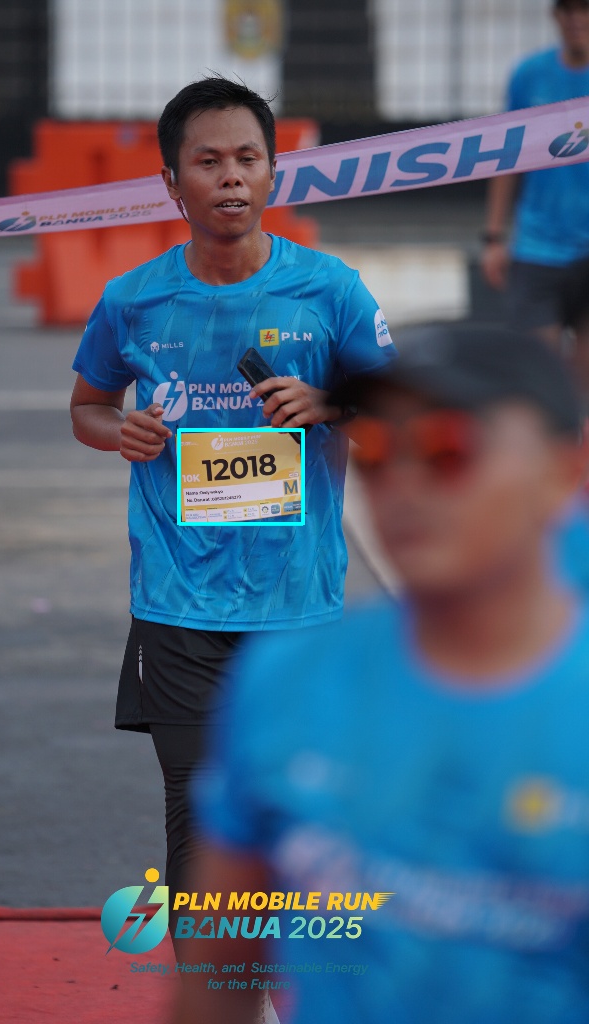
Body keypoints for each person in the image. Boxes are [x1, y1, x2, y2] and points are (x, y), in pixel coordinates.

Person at [176, 324, 588, 1024]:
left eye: (448, 449)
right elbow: (218, 971)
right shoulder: (286, 678)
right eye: (373, 451)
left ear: (563, 471)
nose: (403, 484)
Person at [69, 75, 395, 936]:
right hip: (177, 603)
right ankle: (223, 990)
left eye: (248, 158)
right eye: (208, 162)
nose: (231, 178)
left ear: (273, 172)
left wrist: (330, 404)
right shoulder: (133, 300)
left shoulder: (329, 290)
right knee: (198, 814)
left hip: (298, 604)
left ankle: (288, 981)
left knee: (291, 814)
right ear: (171, 182)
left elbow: (399, 406)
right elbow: (87, 407)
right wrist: (121, 430)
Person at [480, 0, 589, 346]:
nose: (576, 18)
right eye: (567, 9)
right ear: (555, 15)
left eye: (584, 8)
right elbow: (506, 158)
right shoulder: (529, 74)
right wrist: (493, 238)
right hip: (538, 247)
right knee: (539, 366)